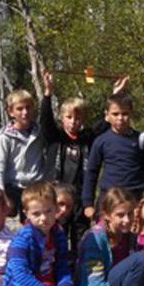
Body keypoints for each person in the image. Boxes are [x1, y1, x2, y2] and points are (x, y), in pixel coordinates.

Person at [2, 182, 100, 286]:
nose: (44, 218)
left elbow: (62, 264)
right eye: (36, 214)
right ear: (26, 213)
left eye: (48, 211)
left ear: (55, 209)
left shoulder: (57, 233)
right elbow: (20, 275)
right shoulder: (22, 239)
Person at [41, 70, 98, 249]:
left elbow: (106, 123)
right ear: (62, 118)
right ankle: (56, 269)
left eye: (78, 117)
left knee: (80, 235)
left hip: (80, 196)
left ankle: (78, 269)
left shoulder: (88, 138)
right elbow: (45, 120)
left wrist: (116, 94)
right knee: (57, 235)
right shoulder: (55, 137)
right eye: (69, 117)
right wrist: (47, 93)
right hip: (57, 196)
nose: (73, 121)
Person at [82, 92, 144, 218]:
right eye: (115, 114)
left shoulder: (141, 139)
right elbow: (91, 171)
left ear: (131, 114)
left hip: (136, 196)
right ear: (107, 115)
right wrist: (88, 204)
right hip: (109, 196)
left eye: (125, 114)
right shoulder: (101, 141)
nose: (120, 118)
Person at [0, 89, 46, 220]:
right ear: (11, 112)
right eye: (20, 109)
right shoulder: (5, 137)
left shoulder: (40, 133)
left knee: (35, 224)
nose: (25, 112)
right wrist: (1, 195)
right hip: (13, 186)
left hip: (35, 187)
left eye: (28, 108)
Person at [53, 182, 82, 259]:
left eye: (68, 207)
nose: (64, 210)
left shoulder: (61, 229)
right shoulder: (40, 226)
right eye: (61, 204)